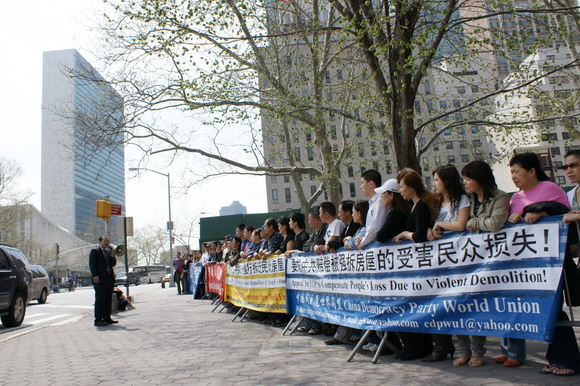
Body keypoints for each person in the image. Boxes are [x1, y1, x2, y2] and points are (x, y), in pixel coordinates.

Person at [499, 153, 571, 368]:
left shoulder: (551, 189)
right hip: (525, 265)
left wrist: (543, 213)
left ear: (532, 171)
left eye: (517, 171)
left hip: (552, 263)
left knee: (554, 309)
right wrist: (513, 218)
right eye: (511, 172)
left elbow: (565, 217)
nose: (514, 176)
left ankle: (566, 359)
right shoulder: (516, 198)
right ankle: (555, 359)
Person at [454, 160, 510, 367]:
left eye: (469, 178)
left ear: (480, 179)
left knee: (480, 307)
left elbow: (495, 223)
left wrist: (472, 222)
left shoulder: (500, 197)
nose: (465, 183)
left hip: (493, 263)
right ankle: (464, 351)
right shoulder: (467, 200)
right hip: (467, 261)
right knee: (459, 306)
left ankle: (480, 351)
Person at [392, 169, 438, 360]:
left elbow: (419, 236)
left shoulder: (420, 206)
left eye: (402, 187)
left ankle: (422, 346)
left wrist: (404, 234)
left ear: (410, 188)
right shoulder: (416, 205)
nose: (400, 191)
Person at [89, 235, 118, 327]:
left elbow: (112, 264)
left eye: (108, 241)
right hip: (99, 279)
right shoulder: (95, 252)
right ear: (100, 242)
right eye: (105, 241)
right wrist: (95, 276)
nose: (106, 243)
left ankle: (107, 317)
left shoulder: (109, 252)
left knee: (108, 298)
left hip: (109, 279)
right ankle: (98, 319)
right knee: (100, 299)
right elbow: (92, 265)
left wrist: (113, 256)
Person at [356, 170, 389, 249]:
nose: (360, 187)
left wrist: (363, 242)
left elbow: (376, 226)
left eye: (362, 183)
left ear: (371, 184)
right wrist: (363, 238)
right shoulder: (372, 202)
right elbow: (370, 228)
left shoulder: (380, 201)